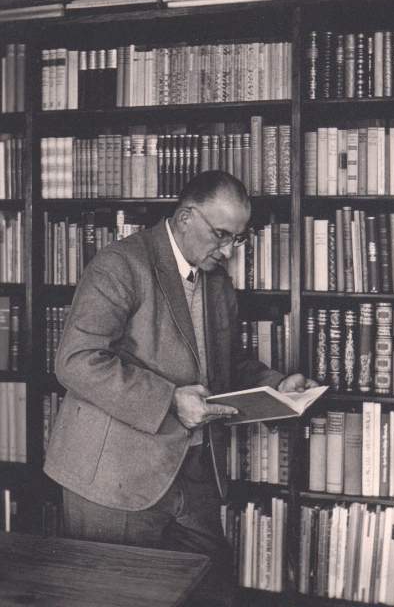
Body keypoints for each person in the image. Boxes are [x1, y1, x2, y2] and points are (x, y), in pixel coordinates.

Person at [44, 170, 316, 606]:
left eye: (237, 239)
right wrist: (169, 400)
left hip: (192, 473)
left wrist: (277, 385)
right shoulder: (121, 265)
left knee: (213, 592)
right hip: (114, 478)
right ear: (186, 217)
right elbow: (77, 361)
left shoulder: (216, 281)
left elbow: (223, 362)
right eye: (221, 235)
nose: (228, 251)